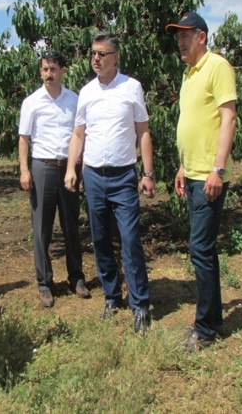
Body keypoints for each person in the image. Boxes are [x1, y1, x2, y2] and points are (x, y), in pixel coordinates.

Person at [64, 32, 155, 334]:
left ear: (116, 57)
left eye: (102, 53)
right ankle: (112, 296)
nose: (96, 58)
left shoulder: (132, 88)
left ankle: (140, 303)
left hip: (123, 175)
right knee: (100, 239)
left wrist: (148, 172)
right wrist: (71, 168)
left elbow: (142, 131)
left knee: (130, 240)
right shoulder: (86, 92)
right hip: (93, 177)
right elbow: (79, 133)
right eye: (93, 53)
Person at [165, 11, 238, 351]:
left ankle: (204, 330)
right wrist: (182, 166)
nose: (179, 40)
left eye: (185, 34)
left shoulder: (217, 66)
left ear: (202, 37)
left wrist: (217, 169)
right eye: (177, 35)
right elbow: (191, 122)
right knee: (204, 250)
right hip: (192, 174)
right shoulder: (188, 74)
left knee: (199, 249)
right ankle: (214, 319)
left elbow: (228, 118)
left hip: (209, 176)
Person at [18, 51, 89, 308]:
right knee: (42, 229)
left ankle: (76, 278)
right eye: (45, 69)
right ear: (40, 72)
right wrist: (24, 170)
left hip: (68, 169)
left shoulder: (75, 100)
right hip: (43, 168)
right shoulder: (32, 102)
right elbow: (24, 137)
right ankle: (44, 282)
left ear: (63, 71)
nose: (49, 74)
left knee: (71, 225)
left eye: (54, 69)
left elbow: (81, 133)